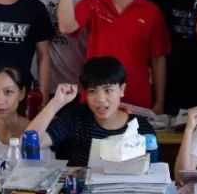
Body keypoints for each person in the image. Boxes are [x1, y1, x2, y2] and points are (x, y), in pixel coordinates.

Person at [57, 0, 172, 113]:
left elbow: (158, 59)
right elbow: (66, 27)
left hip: (137, 98)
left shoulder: (152, 12)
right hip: (96, 100)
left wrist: (160, 102)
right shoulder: (91, 4)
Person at [28, 57, 157, 166]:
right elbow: (28, 145)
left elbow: (153, 173)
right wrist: (56, 103)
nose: (100, 99)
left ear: (122, 90)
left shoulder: (141, 128)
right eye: (92, 91)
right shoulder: (75, 118)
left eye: (108, 90)